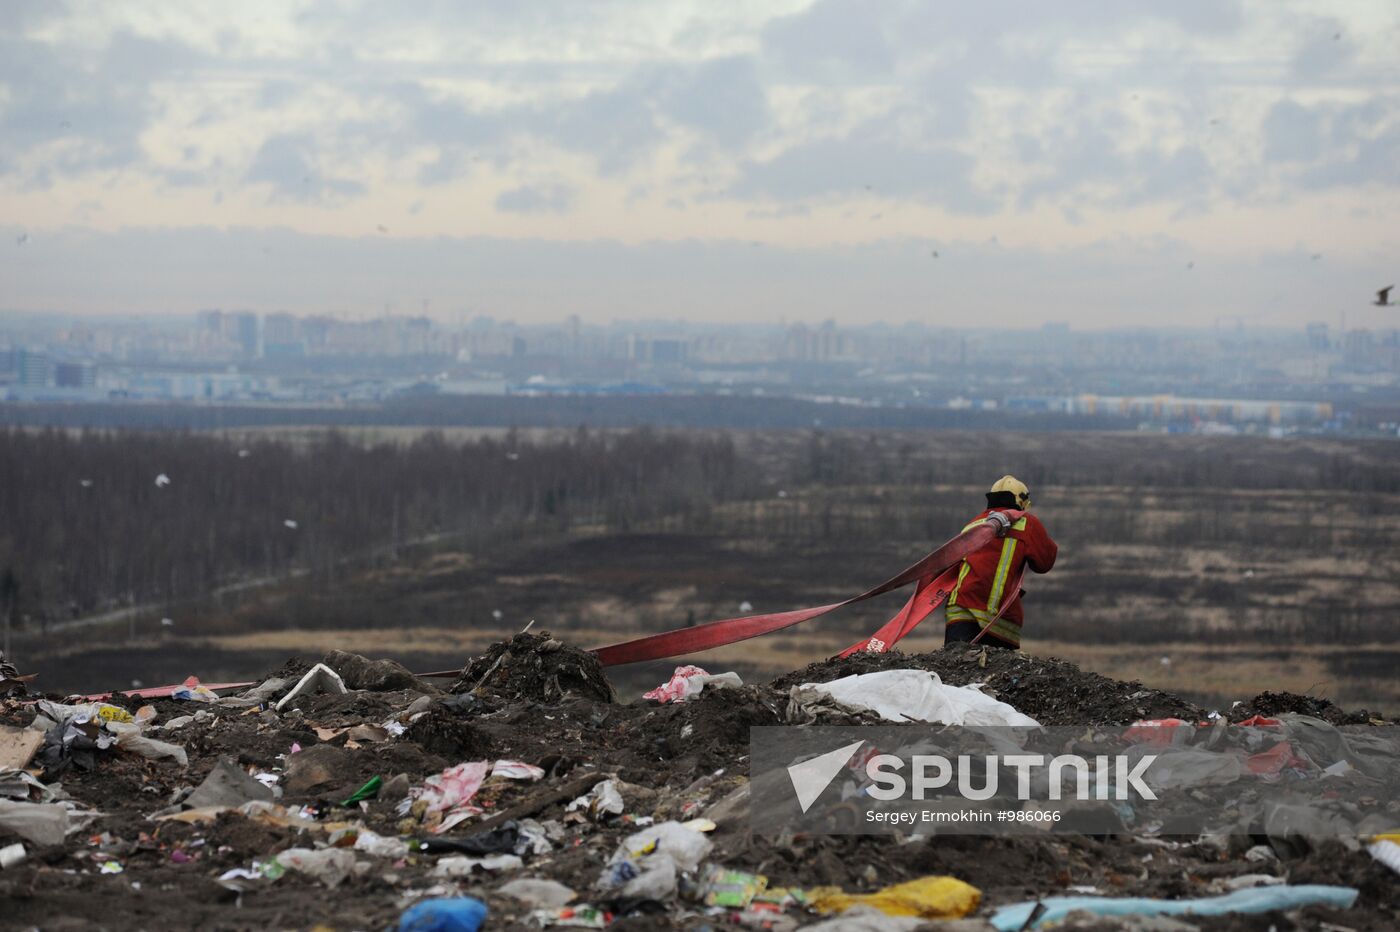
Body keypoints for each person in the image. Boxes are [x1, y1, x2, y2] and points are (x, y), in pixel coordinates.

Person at [943, 475, 1057, 650]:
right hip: (997, 616)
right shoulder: (1028, 523)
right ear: (1022, 501)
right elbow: (1045, 562)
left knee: (955, 668)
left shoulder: (973, 524)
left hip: (959, 608)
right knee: (994, 673)